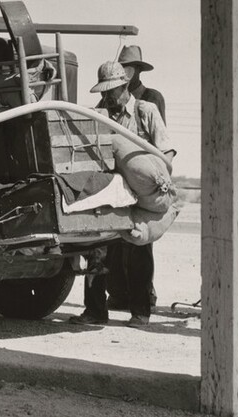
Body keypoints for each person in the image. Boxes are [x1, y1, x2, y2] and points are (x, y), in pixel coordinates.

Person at [68, 61, 175, 328]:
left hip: (138, 197)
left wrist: (150, 181)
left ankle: (140, 312)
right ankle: (94, 311)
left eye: (111, 91)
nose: (106, 98)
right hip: (111, 193)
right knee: (96, 251)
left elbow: (167, 153)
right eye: (103, 92)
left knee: (139, 251)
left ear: (125, 86)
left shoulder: (145, 111)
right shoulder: (99, 115)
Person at [107, 45, 166, 311]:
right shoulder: (107, 102)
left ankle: (143, 298)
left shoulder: (150, 101)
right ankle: (118, 293)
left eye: (129, 68)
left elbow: (161, 145)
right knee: (114, 245)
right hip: (118, 183)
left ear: (137, 71)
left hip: (141, 178)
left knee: (141, 243)